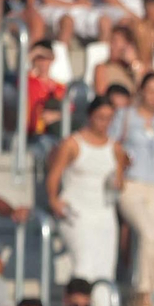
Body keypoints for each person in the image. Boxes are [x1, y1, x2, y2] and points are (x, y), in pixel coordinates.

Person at [46, 97, 124, 291]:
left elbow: (120, 180)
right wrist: (53, 200)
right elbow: (54, 174)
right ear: (90, 116)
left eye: (108, 118)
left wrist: (116, 183)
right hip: (76, 210)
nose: (104, 123)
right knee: (84, 264)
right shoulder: (73, 143)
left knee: (105, 268)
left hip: (104, 212)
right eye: (100, 117)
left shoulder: (115, 147)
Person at [110, 74, 154, 306]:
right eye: (151, 90)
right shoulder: (125, 116)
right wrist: (120, 169)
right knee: (147, 234)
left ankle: (143, 291)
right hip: (131, 183)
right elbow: (112, 144)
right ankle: (142, 293)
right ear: (141, 91)